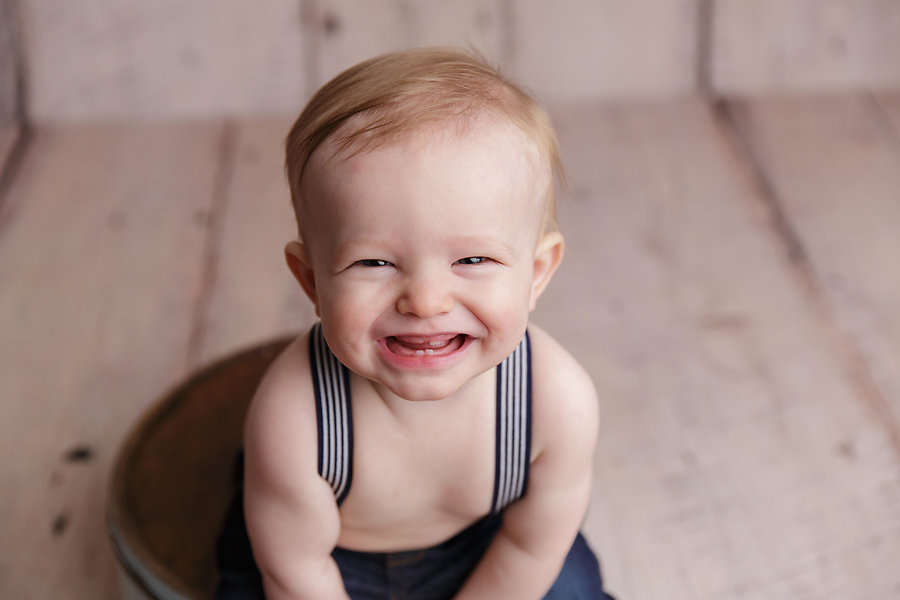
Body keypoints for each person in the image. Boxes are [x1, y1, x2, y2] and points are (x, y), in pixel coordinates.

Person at [216, 47, 614, 600]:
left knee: (572, 585)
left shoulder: (555, 399)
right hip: (326, 560)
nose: (425, 301)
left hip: (489, 548)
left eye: (472, 260)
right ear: (311, 282)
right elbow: (295, 569)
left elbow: (532, 544)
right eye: (373, 262)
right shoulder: (296, 416)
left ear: (537, 273)